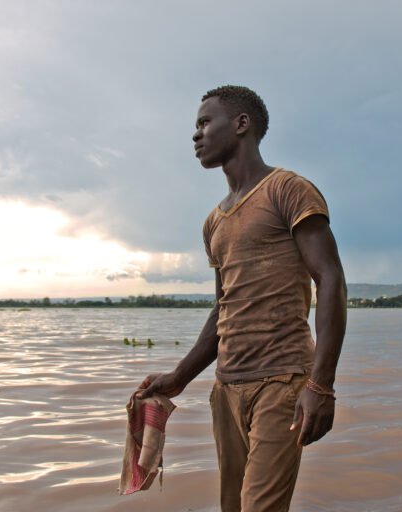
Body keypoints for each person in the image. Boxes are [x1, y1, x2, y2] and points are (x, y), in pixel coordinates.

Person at [137, 85, 346, 512]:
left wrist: (321, 384)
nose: (196, 135)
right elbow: (223, 308)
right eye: (194, 126)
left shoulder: (288, 190)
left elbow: (330, 279)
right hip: (227, 390)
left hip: (282, 382)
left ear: (241, 124)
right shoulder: (214, 221)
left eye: (204, 122)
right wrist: (180, 376)